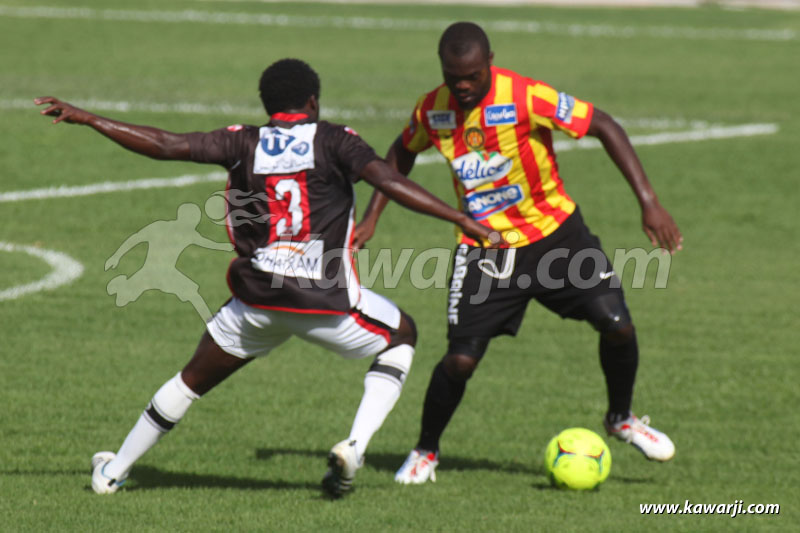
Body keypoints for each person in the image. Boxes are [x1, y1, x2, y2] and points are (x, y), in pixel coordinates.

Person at [35, 58, 494, 497]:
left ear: (267, 105)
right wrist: (463, 219)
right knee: (402, 336)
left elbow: (165, 144)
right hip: (325, 304)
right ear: (313, 102)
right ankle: (354, 445)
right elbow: (388, 180)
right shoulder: (335, 141)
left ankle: (113, 472)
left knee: (189, 381)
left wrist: (91, 118)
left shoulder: (242, 142)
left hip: (255, 303)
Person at [353, 22, 683, 484]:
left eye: (471, 76)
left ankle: (621, 419)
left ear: (490, 61)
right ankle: (426, 451)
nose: (463, 86)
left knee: (617, 325)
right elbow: (400, 153)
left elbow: (603, 124)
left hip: (556, 237)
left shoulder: (527, 96)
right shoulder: (433, 109)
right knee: (461, 359)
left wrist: (648, 201)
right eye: (453, 77)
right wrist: (372, 217)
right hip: (486, 250)